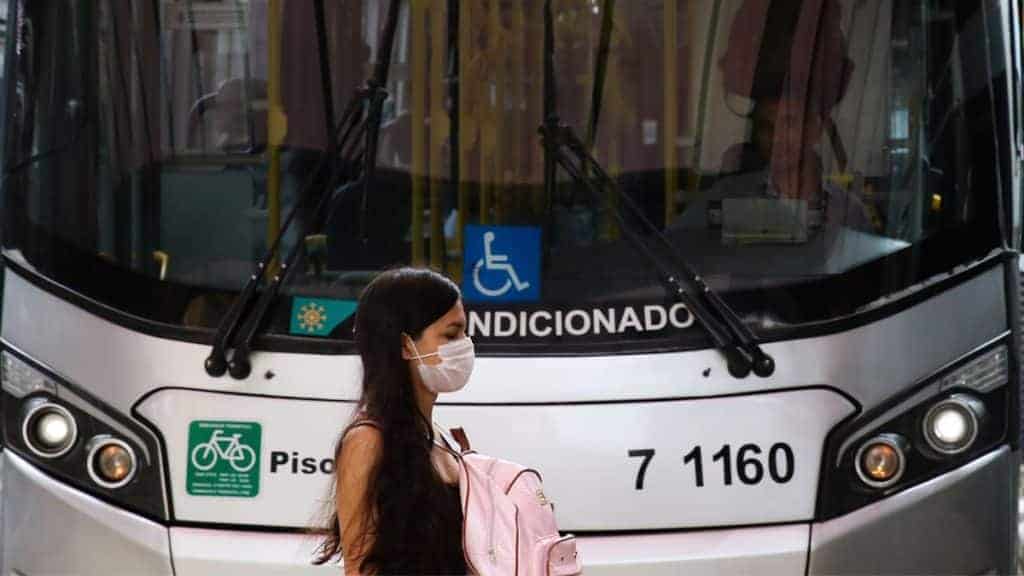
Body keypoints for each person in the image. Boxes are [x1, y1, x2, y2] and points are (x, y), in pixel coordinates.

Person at [314, 267, 472, 574]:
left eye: (464, 332)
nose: (465, 345)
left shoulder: (441, 437)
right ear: (404, 345)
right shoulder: (369, 440)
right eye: (451, 334)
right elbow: (361, 566)